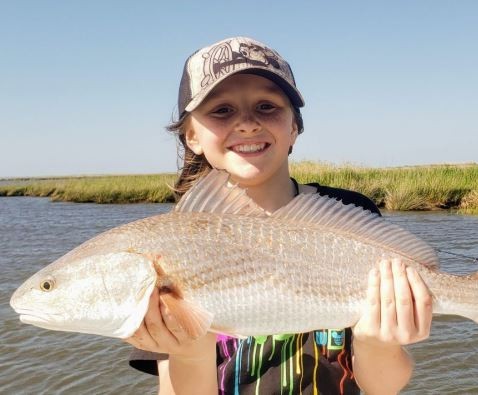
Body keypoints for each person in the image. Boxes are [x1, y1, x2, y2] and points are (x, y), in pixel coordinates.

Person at [125, 36, 433, 395]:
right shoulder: (167, 246)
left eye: (267, 107)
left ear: (294, 129)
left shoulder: (353, 213)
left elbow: (383, 387)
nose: (247, 124)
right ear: (192, 136)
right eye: (222, 110)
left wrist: (378, 343)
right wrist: (189, 356)